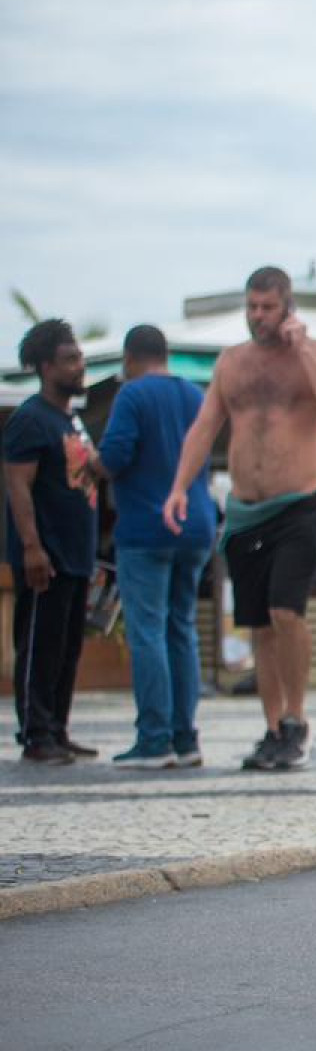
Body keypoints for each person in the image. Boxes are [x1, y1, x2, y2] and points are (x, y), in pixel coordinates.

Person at [166, 266, 316, 771]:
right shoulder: (233, 363)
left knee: (286, 612)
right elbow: (205, 428)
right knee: (258, 624)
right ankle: (272, 727)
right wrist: (180, 488)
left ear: (288, 307)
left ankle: (297, 719)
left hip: (301, 502)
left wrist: (305, 348)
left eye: (267, 307)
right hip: (247, 511)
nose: (257, 316)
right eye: (251, 307)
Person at [97, 326, 216, 768]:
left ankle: (154, 738)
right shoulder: (195, 394)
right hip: (197, 525)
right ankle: (186, 738)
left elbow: (114, 456)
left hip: (147, 528)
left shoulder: (132, 395)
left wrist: (90, 464)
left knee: (147, 631)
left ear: (129, 359)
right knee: (181, 628)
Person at [5, 320, 102, 764]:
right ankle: (36, 733)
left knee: (66, 648)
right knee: (39, 646)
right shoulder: (30, 419)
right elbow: (18, 486)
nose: (80, 366)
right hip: (47, 553)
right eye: (70, 359)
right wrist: (31, 547)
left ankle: (57, 729)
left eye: (79, 357)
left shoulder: (71, 419)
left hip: (77, 553)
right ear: (46, 367)